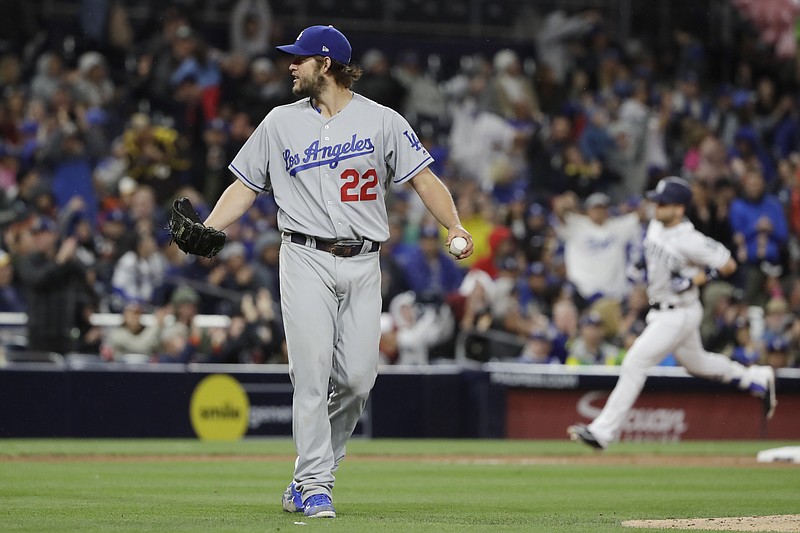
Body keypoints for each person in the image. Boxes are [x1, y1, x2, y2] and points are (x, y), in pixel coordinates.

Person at [193, 25, 473, 518]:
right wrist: (210, 227)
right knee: (311, 373)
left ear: (326, 64)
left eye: (299, 59)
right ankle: (315, 483)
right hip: (303, 256)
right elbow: (244, 184)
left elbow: (423, 178)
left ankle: (314, 468)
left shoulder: (382, 120)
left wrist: (453, 224)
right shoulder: (279, 122)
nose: (290, 66)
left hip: (365, 261)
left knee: (359, 380)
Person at [568, 177, 778, 450]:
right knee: (698, 364)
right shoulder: (656, 224)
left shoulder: (690, 239)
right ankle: (756, 378)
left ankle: (602, 432)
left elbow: (728, 264)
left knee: (635, 362)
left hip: (678, 312)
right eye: (656, 200)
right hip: (662, 309)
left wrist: (695, 280)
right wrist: (644, 263)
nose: (657, 206)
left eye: (663, 203)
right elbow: (649, 247)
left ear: (679, 209)